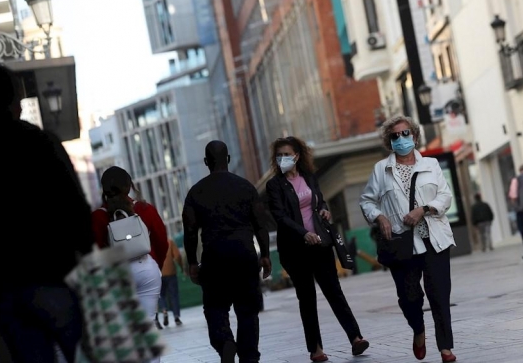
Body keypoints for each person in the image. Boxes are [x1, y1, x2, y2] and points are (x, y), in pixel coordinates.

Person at [0, 65, 94, 363]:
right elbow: (76, 205)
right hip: (54, 273)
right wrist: (86, 256)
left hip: (4, 288)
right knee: (85, 352)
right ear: (17, 102)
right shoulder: (41, 142)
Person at [360, 116, 457, 362]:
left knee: (439, 294)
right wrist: (380, 217)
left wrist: (423, 209)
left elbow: (445, 196)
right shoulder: (381, 169)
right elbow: (367, 201)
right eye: (395, 135)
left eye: (406, 134)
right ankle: (418, 329)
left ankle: (445, 348)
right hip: (402, 243)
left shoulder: (431, 164)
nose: (401, 139)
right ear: (388, 141)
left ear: (414, 135)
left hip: (434, 238)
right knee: (409, 298)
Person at [266, 136, 369, 362]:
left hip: (320, 244)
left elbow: (319, 201)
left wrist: (324, 210)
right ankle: (316, 349)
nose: (283, 158)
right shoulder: (274, 185)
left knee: (334, 292)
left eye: (287, 154)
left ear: (297, 156)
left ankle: (356, 338)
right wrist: (304, 233)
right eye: (279, 155)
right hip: (295, 250)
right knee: (307, 298)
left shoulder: (309, 178)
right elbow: (280, 217)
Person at [183, 141, 272, 363]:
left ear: (206, 162)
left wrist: (193, 262)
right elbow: (260, 223)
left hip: (214, 258)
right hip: (244, 254)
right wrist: (265, 255)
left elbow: (190, 231)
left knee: (215, 308)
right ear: (228, 159)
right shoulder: (246, 187)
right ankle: (249, 357)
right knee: (248, 312)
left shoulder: (196, 192)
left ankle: (225, 342)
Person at [92, 166, 169, 363]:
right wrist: (155, 266)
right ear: (129, 186)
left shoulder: (97, 217)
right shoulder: (145, 209)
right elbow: (161, 241)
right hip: (146, 270)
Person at [157, 237, 185, 329]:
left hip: (158, 273)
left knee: (161, 294)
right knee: (174, 295)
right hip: (171, 273)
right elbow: (177, 256)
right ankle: (176, 316)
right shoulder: (169, 241)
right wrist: (181, 267)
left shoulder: (152, 244)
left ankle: (164, 310)